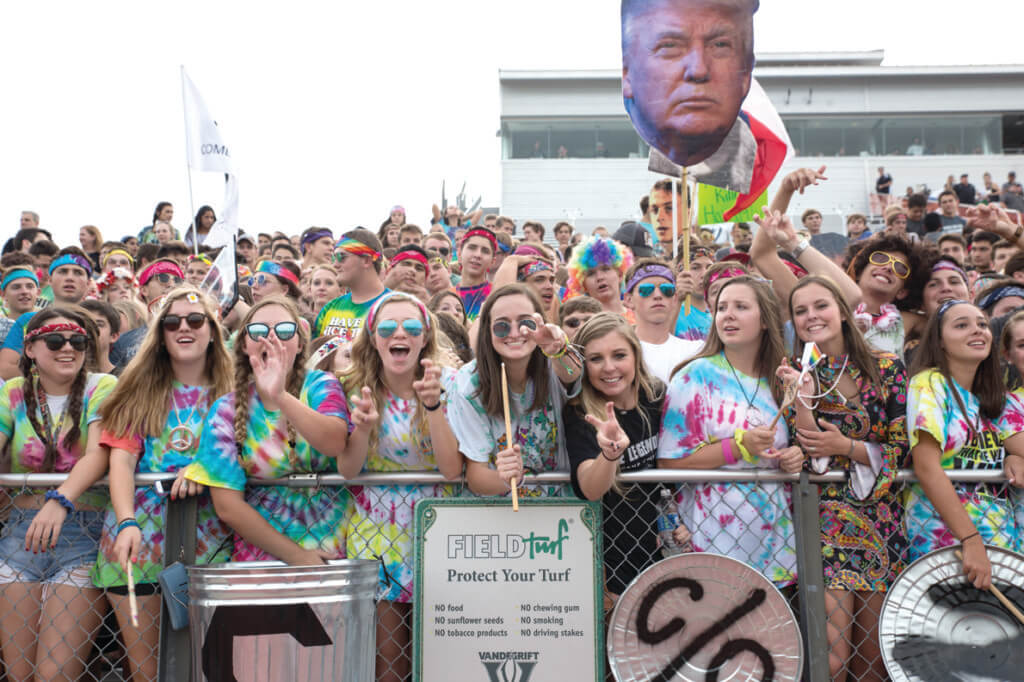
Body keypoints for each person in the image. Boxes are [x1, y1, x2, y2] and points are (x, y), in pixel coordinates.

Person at [91, 289, 233, 681]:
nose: (183, 328)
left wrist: (204, 467)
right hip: (141, 538)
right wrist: (126, 522)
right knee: (148, 670)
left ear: (213, 329)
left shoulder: (238, 389)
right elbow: (120, 460)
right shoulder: (138, 387)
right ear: (161, 333)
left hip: (216, 540)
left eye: (195, 320)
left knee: (210, 667)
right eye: (172, 322)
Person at [779, 275, 909, 681]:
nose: (811, 316)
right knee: (831, 663)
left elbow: (902, 449)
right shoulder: (801, 375)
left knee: (872, 664)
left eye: (820, 306)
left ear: (842, 310)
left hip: (883, 526)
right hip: (825, 526)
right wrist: (801, 399)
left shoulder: (887, 368)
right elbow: (808, 454)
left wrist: (847, 447)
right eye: (801, 311)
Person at [337, 293, 460, 681]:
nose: (399, 334)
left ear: (425, 338)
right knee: (389, 662)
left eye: (411, 328)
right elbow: (348, 469)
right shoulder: (354, 385)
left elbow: (452, 468)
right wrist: (363, 428)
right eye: (388, 328)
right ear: (373, 338)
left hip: (438, 531)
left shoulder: (451, 383)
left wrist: (435, 408)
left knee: (439, 658)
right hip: (376, 534)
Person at [183, 297, 351, 565]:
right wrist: (297, 556)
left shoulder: (322, 385)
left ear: (299, 344)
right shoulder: (225, 410)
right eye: (259, 331)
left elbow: (333, 443)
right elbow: (228, 506)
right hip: (260, 562)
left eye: (284, 330)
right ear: (244, 343)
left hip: (332, 554)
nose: (271, 338)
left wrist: (281, 396)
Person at [658, 276, 801, 585]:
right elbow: (669, 462)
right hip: (712, 542)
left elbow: (793, 441)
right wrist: (738, 446)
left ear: (765, 319)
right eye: (722, 307)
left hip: (774, 545)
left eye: (741, 307)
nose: (728, 315)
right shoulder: (694, 376)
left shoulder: (779, 378)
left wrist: (793, 455)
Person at [0, 307, 117, 681]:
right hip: (19, 536)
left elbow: (100, 452)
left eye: (77, 341)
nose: (68, 348)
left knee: (53, 676)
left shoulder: (103, 386)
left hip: (83, 536)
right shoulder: (12, 392)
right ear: (30, 349)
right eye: (55, 340)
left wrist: (60, 500)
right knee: (20, 675)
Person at [906, 300, 1024, 589]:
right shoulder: (930, 384)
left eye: (983, 324)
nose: (977, 331)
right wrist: (970, 540)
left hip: (1002, 547)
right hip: (947, 546)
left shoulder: (994, 397)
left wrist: (1015, 456)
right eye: (962, 325)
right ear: (940, 342)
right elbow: (926, 467)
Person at [565, 313, 682, 598]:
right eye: (595, 359)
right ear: (583, 365)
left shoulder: (655, 395)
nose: (609, 368)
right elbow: (590, 488)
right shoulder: (580, 411)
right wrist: (609, 454)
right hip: (611, 557)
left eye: (619, 355)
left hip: (664, 546)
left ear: (635, 355)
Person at [447, 284, 581, 499]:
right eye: (502, 326)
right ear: (487, 331)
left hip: (560, 509)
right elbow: (477, 476)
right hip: (497, 513)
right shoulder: (468, 383)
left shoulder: (554, 361)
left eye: (526, 323)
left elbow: (573, 374)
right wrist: (509, 478)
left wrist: (559, 350)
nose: (515, 333)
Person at [621, 0, 758, 189]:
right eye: (669, 46)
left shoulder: (750, 156)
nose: (698, 70)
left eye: (719, 45)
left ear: (745, 74)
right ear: (627, 74)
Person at [623, 259, 701, 382]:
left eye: (667, 290)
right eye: (646, 290)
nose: (658, 295)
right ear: (628, 300)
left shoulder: (696, 352)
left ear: (675, 298)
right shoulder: (620, 353)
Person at [316, 229, 390, 340]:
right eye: (333, 258)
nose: (335, 265)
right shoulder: (330, 308)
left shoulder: (393, 305)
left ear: (366, 260)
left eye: (342, 257)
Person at [566, 236, 634, 319]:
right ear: (583, 284)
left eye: (605, 269)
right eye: (590, 274)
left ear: (620, 274)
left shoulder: (639, 315)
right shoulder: (583, 323)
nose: (599, 277)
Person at [455, 227, 497, 323]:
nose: (478, 255)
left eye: (485, 251)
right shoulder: (445, 295)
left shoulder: (495, 295)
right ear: (459, 254)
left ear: (492, 261)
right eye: (472, 248)